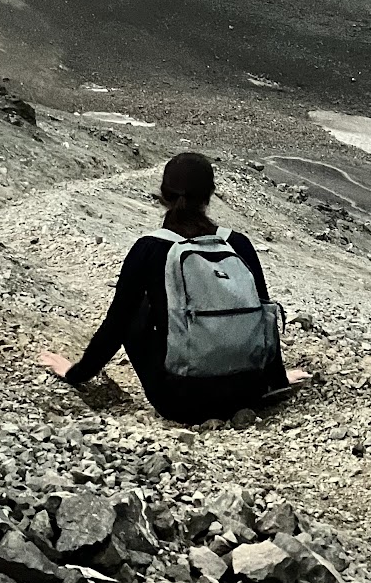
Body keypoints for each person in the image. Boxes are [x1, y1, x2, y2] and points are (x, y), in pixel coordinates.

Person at [40, 151, 309, 423]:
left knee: (132, 311)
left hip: (182, 404)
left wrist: (75, 374)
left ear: (163, 195)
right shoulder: (238, 244)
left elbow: (116, 326)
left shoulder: (149, 249)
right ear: (210, 195)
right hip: (250, 393)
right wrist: (276, 380)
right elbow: (264, 317)